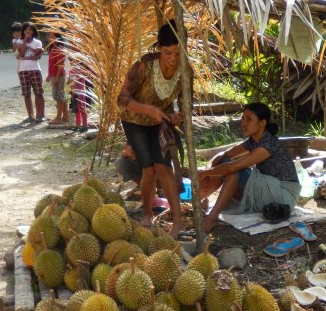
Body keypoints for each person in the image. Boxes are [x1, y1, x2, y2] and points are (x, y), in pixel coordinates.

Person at [117, 20, 186, 237]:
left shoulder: (185, 70)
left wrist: (179, 116)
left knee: (163, 167)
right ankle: (147, 214)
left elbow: (186, 102)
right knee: (148, 168)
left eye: (177, 53)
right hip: (134, 120)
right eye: (167, 53)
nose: (173, 59)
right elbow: (122, 99)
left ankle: (178, 221)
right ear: (159, 50)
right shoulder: (144, 66)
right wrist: (149, 109)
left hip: (160, 122)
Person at [199, 102, 301, 232]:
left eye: (249, 119)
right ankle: (201, 199)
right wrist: (210, 166)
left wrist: (207, 173)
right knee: (223, 161)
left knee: (235, 172)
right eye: (243, 119)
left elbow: (232, 168)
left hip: (284, 194)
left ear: (262, 123)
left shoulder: (267, 145)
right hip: (269, 186)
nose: (244, 123)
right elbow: (224, 154)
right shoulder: (253, 141)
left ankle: (211, 218)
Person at [16, 22, 46, 122]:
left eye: (30, 30)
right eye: (26, 30)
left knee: (38, 93)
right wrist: (25, 41)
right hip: (22, 70)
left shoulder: (37, 42)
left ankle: (40, 115)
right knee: (26, 94)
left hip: (35, 70)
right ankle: (30, 116)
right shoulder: (18, 42)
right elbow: (21, 53)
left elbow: (37, 56)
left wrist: (24, 58)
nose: (28, 32)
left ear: (33, 32)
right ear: (23, 31)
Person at [45, 32, 69, 124]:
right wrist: (49, 75)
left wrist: (57, 77)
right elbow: (52, 65)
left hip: (58, 76)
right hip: (54, 75)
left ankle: (58, 117)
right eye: (49, 36)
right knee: (61, 96)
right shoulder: (52, 49)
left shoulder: (58, 49)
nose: (50, 38)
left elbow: (60, 65)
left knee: (59, 97)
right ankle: (65, 116)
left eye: (52, 37)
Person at [67, 62, 88, 132]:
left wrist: (72, 82)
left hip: (81, 93)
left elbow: (76, 82)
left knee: (82, 108)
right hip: (74, 92)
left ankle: (85, 125)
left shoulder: (81, 72)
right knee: (76, 109)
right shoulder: (71, 72)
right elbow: (69, 82)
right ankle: (78, 124)